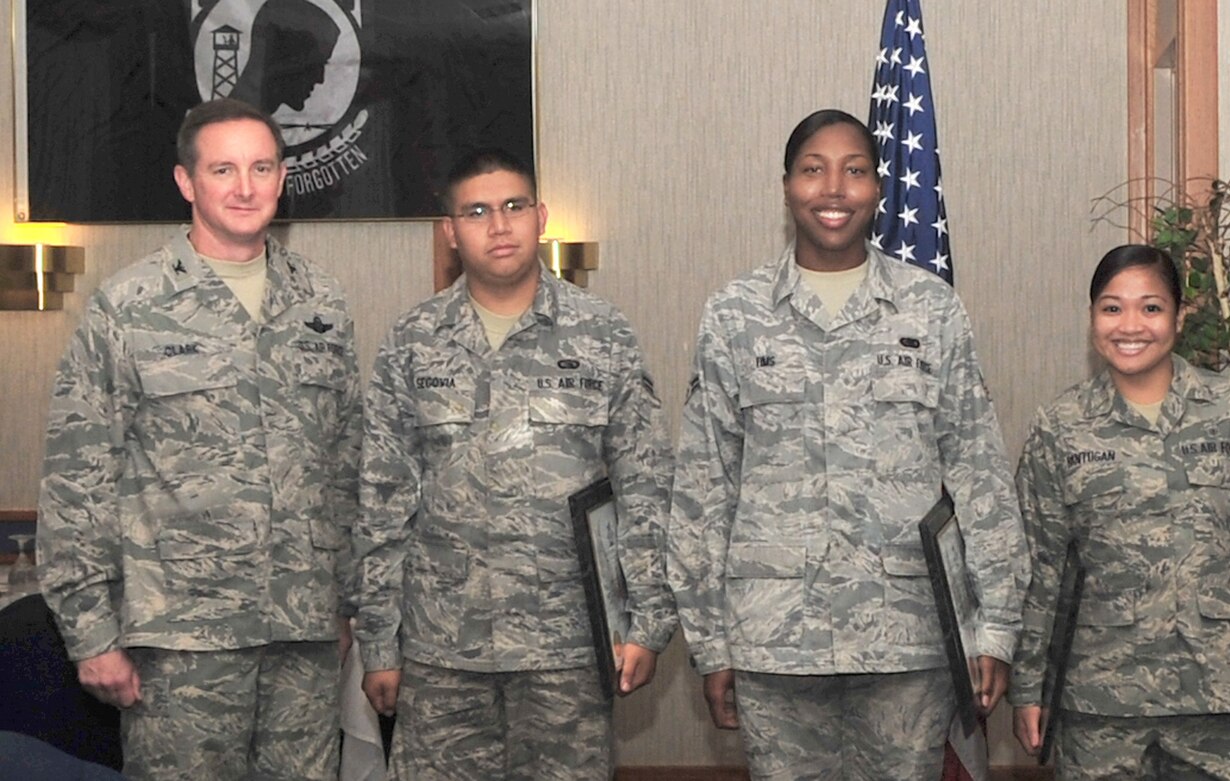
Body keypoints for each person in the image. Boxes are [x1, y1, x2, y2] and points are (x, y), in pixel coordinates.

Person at [666, 108, 1026, 780]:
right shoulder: (734, 313)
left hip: (907, 642)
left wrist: (997, 623)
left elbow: (979, 472)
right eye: (813, 169)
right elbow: (703, 487)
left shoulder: (931, 308)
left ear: (879, 190)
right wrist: (710, 642)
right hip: (775, 645)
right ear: (785, 186)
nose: (834, 188)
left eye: (854, 170)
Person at [37, 97, 359, 780]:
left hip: (302, 636)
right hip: (180, 642)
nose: (245, 187)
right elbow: (77, 476)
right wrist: (90, 632)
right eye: (223, 169)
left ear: (281, 178)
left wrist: (347, 602)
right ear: (188, 182)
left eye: (261, 167)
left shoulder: (321, 304)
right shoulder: (129, 306)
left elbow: (347, 465)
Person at [352, 148, 674, 780]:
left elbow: (645, 486)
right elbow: (382, 500)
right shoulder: (412, 340)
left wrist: (649, 620)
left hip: (570, 649)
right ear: (451, 231)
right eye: (476, 212)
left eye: (512, 207)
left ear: (540, 216)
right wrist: (377, 643)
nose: (498, 226)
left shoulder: (601, 333)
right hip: (441, 653)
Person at [1009, 245, 1230, 779]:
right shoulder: (1060, 426)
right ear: (1092, 316)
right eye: (1111, 307)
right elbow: (1039, 568)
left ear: (1179, 317)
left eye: (1150, 307)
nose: (1130, 325)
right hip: (1100, 699)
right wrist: (1029, 685)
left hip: (1219, 695)